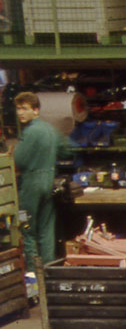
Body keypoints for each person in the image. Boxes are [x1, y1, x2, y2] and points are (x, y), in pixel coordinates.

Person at [12, 91, 68, 277]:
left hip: (30, 186)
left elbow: (19, 160)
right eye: (18, 109)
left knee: (26, 229)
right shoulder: (51, 130)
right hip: (48, 184)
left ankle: (32, 275)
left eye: (25, 109)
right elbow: (65, 152)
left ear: (35, 110)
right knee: (46, 230)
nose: (20, 113)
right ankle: (50, 273)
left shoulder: (30, 132)